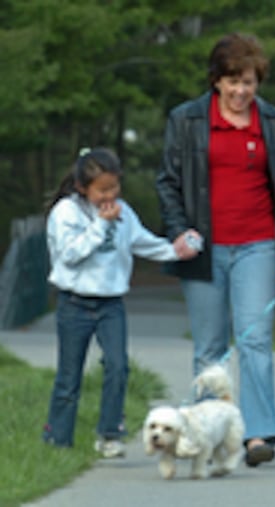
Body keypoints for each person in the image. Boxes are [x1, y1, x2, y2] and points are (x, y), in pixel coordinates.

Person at [155, 32, 275, 467]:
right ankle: (204, 434)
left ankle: (257, 434)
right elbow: (168, 183)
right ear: (216, 80)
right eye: (233, 81)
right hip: (204, 247)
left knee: (255, 339)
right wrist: (179, 231)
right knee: (210, 346)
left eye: (250, 82)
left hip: (257, 243)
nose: (241, 91)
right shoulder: (186, 120)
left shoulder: (273, 122)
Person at [42, 147, 198, 457]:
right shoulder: (66, 213)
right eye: (102, 189)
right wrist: (101, 225)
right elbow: (70, 255)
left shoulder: (123, 212)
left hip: (111, 304)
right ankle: (57, 439)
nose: (110, 194)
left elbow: (142, 242)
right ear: (82, 188)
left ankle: (110, 433)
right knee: (69, 377)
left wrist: (176, 250)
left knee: (118, 366)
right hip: (74, 303)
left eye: (114, 186)